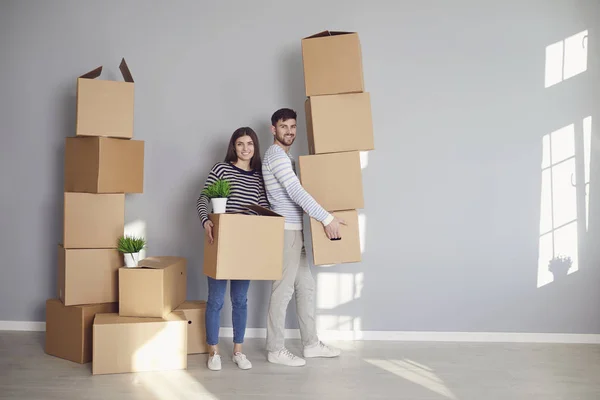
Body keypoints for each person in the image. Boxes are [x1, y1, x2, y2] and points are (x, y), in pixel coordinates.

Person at [262, 108, 345, 366]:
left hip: (296, 231)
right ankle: (275, 349)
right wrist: (327, 218)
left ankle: (310, 344)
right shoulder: (276, 155)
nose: (290, 131)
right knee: (282, 291)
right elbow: (296, 192)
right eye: (284, 126)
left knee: (306, 287)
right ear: (273, 129)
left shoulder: (287, 158)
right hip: (285, 232)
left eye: (293, 126)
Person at [196, 127, 269, 371]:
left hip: (244, 246)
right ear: (233, 146)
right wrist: (206, 220)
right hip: (220, 242)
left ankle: (238, 351)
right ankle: (213, 351)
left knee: (240, 300)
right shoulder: (221, 169)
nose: (245, 148)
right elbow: (202, 198)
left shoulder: (259, 177)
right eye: (240, 144)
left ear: (255, 147)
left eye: (250, 144)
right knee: (215, 300)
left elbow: (264, 208)